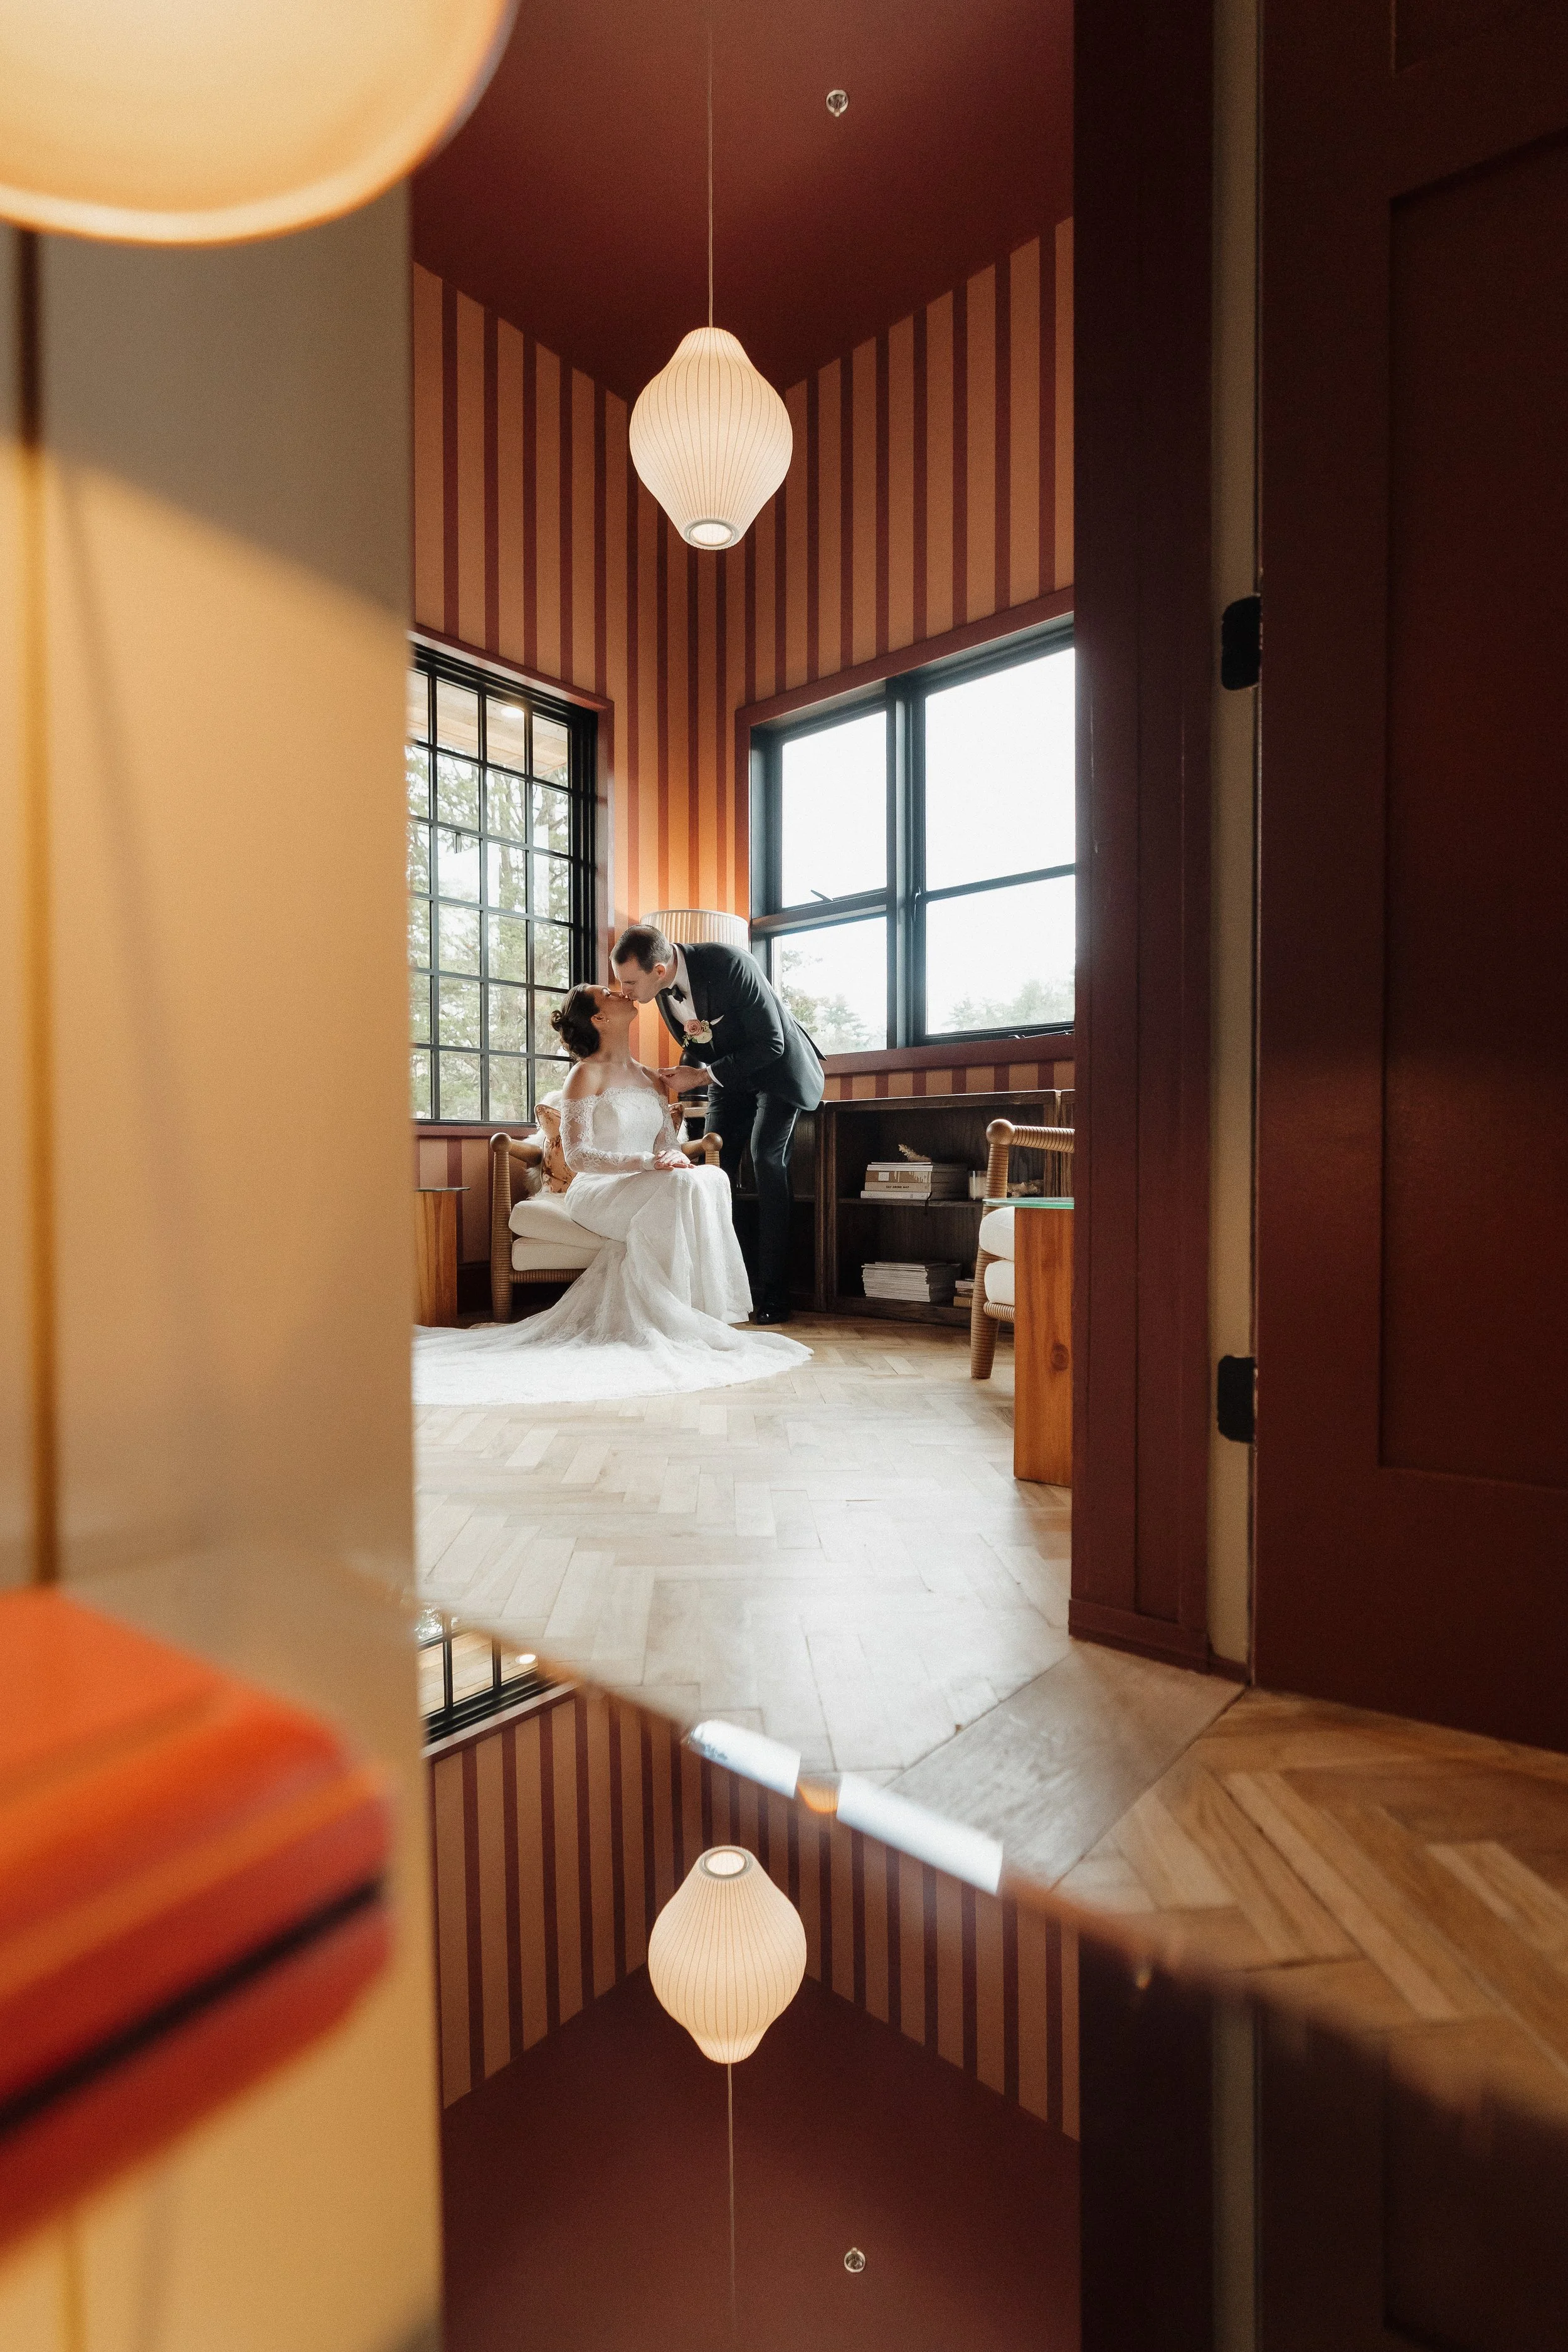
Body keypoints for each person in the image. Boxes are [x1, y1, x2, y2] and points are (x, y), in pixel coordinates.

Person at [412, 984, 810, 1405]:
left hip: (644, 1181)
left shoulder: (649, 1076)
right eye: (606, 993)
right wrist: (649, 1162)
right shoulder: (586, 1074)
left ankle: (698, 1313)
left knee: (709, 1179)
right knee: (679, 1181)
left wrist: (671, 1158)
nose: (619, 991)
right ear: (600, 1019)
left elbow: (666, 1145)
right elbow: (580, 1156)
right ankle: (677, 1318)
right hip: (597, 1191)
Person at [610, 923, 824, 1325]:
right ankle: (723, 1292)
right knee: (711, 1171)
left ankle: (775, 1295)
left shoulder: (729, 963)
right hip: (731, 1083)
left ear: (659, 969)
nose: (625, 992)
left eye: (629, 982)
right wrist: (680, 1074)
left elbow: (771, 1043)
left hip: (778, 1074)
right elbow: (699, 1045)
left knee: (766, 1160)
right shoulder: (659, 991)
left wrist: (703, 1077)